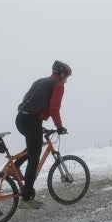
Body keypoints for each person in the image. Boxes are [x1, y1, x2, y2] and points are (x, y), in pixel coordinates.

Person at [15, 60, 71, 209]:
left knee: (34, 146)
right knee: (34, 158)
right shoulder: (58, 85)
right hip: (32, 120)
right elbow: (54, 108)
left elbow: (26, 99)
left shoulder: (40, 81)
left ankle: (16, 166)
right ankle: (26, 199)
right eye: (66, 77)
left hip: (21, 118)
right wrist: (59, 127)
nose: (66, 80)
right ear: (62, 74)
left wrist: (38, 122)